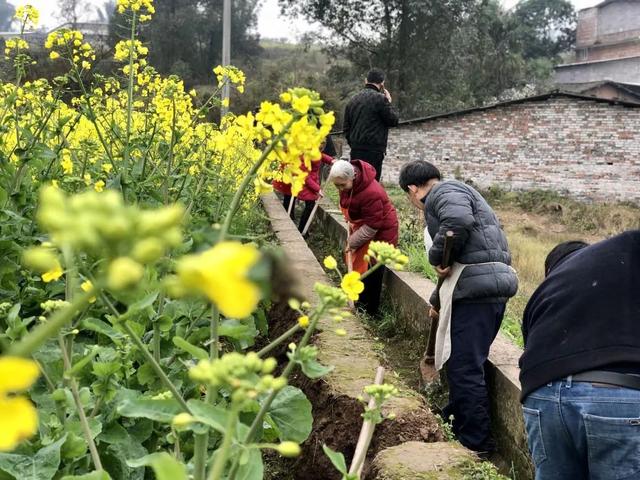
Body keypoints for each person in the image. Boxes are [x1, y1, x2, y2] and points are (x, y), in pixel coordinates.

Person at [398, 160, 518, 454]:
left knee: (464, 366)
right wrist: (437, 300)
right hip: (484, 285)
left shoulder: (444, 191)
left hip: (478, 290)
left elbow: (457, 225)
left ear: (413, 189)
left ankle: (475, 443)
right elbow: (456, 260)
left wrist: (436, 256)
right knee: (462, 360)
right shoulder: (457, 194)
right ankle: (455, 415)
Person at [519, 231, 640, 480]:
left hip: (542, 396)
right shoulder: (623, 263)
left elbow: (530, 347)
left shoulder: (551, 286)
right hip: (615, 395)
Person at [328, 159, 399, 315]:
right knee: (359, 265)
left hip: (381, 232)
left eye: (342, 185)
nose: (340, 189)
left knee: (373, 269)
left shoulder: (371, 192)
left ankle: (370, 311)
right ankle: (359, 302)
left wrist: (351, 242)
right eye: (336, 186)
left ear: (353, 176)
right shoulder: (348, 185)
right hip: (364, 226)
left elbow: (373, 225)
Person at [343, 68, 399, 182]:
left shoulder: (352, 100)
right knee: (371, 183)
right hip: (375, 150)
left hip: (356, 149)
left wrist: (353, 143)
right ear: (382, 83)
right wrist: (388, 101)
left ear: (365, 81)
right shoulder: (381, 99)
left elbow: (346, 128)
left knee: (357, 182)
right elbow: (393, 121)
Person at [273, 145, 334, 235]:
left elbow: (319, 155)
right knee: (305, 203)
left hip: (307, 180)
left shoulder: (312, 150)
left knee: (308, 204)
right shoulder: (302, 154)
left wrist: (331, 160)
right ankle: (299, 229)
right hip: (301, 180)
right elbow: (304, 176)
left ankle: (300, 228)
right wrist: (317, 189)